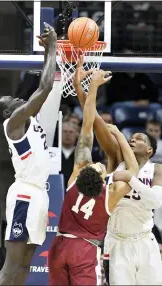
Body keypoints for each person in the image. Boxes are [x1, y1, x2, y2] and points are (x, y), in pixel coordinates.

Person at [74, 56, 162, 285]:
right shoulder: (117, 157)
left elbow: (155, 202)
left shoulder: (157, 169)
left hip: (145, 241)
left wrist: (128, 178)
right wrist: (80, 87)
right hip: (117, 242)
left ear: (150, 149)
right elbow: (92, 120)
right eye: (130, 138)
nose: (132, 140)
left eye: (139, 139)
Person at [48, 69, 139, 285]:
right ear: (101, 180)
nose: (98, 163)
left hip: (60, 245)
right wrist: (119, 135)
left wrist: (89, 89)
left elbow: (87, 128)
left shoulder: (74, 179)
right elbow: (133, 171)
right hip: (85, 248)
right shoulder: (110, 194)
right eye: (100, 166)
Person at [0, 24, 57, 286]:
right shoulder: (14, 124)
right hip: (24, 193)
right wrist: (53, 47)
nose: (16, 98)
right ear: (8, 113)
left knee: (26, 263)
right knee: (12, 263)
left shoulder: (28, 121)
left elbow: (40, 93)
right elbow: (43, 90)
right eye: (9, 100)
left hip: (39, 193)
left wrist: (46, 55)